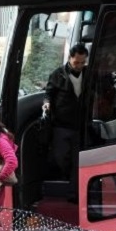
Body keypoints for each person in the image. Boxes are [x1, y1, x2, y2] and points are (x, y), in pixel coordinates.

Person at [42, 43, 88, 201]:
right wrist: (47, 103)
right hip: (61, 124)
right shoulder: (58, 74)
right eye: (77, 63)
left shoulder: (88, 73)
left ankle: (74, 194)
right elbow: (49, 93)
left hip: (81, 125)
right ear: (70, 59)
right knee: (61, 157)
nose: (80, 66)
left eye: (83, 62)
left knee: (78, 160)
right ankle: (68, 181)